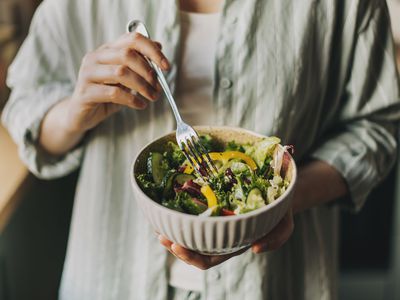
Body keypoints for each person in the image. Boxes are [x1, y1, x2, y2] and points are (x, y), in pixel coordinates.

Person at [2, 0, 399, 299]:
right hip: (114, 274)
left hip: (277, 279)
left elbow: (378, 128)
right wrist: (77, 111)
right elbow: (25, 111)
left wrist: (282, 202)